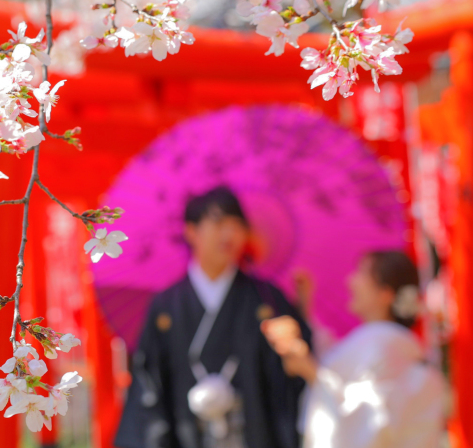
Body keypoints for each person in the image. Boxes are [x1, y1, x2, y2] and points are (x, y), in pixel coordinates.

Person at [115, 186, 312, 448]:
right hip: (186, 435)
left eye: (237, 225)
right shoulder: (166, 306)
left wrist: (295, 338)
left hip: (253, 434)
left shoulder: (267, 299)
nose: (229, 234)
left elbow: (291, 379)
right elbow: (149, 384)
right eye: (219, 223)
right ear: (191, 231)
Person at [262, 251, 446, 448]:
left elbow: (365, 423)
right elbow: (332, 363)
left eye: (362, 273)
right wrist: (305, 309)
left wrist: (310, 372)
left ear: (385, 294)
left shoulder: (382, 347)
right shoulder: (385, 344)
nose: (351, 281)